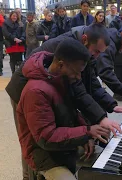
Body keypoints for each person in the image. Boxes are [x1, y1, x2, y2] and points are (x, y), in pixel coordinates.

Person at [6, 24, 122, 179]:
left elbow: (85, 90)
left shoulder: (67, 70)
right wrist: (88, 130)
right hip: (25, 95)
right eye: (96, 51)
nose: (97, 56)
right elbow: (46, 136)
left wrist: (93, 125)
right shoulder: (61, 55)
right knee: (31, 144)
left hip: (43, 102)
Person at [17, 39, 111, 180]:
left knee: (110, 166)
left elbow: (72, 114)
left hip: (65, 148)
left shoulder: (61, 78)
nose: (78, 77)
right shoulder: (36, 91)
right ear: (61, 65)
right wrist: (87, 131)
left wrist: (87, 134)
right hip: (45, 156)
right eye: (77, 72)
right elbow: (47, 137)